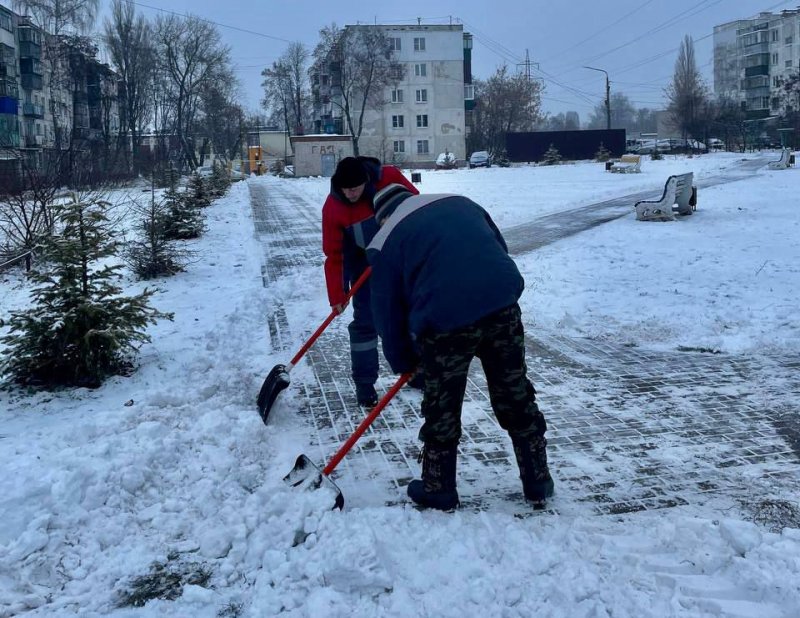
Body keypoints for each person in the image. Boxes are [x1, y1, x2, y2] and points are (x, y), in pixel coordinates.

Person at [365, 183, 554, 511]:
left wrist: (405, 363)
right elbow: (497, 247)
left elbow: (386, 313)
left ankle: (438, 488)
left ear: (383, 217)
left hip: (446, 319)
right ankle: (538, 480)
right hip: (500, 301)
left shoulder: (384, 239)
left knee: (443, 403)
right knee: (514, 390)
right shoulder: (461, 202)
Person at [322, 157, 419, 407]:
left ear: (366, 182)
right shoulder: (333, 208)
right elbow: (334, 255)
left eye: (355, 188)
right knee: (365, 323)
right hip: (364, 264)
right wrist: (337, 294)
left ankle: (417, 371)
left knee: (409, 317)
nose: (350, 193)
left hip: (399, 259)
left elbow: (417, 208)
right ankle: (364, 384)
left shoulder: (388, 177)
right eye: (345, 189)